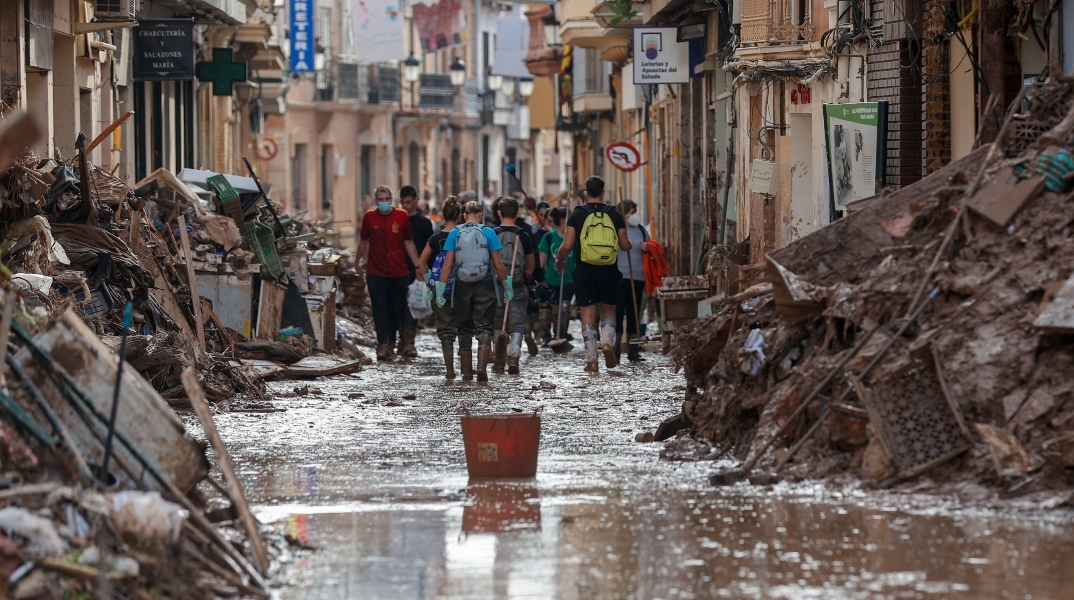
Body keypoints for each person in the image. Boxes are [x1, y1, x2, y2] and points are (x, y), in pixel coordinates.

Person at [554, 176, 631, 372]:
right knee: (608, 311)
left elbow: (567, 245)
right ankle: (607, 343)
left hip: (585, 269)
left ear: (586, 193)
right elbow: (624, 245)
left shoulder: (577, 214)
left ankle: (592, 360)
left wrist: (559, 259)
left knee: (587, 315)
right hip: (609, 269)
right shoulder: (614, 214)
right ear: (603, 192)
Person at [435, 201, 510, 382]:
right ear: (481, 215)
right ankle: (481, 366)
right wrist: (507, 286)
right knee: (485, 326)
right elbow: (498, 264)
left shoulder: (455, 233)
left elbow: (447, 265)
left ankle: (467, 372)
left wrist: (440, 290)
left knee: (464, 327)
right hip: (485, 283)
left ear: (464, 215)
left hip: (462, 284)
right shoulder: (489, 232)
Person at [356, 185, 423, 361]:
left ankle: (394, 342)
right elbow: (363, 241)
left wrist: (417, 266)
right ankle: (382, 345)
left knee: (396, 309)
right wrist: (357, 262)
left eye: (387, 199)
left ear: (391, 200)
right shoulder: (369, 218)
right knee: (379, 309)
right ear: (376, 201)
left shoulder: (401, 217)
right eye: (381, 200)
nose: (384, 203)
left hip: (398, 272)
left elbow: (408, 242)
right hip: (376, 271)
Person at [416, 197, 462, 378]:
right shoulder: (463, 235)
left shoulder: (435, 238)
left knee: (445, 330)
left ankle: (450, 369)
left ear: (443, 215)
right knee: (465, 329)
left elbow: (421, 264)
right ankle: (468, 369)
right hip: (463, 288)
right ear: (459, 215)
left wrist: (431, 283)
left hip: (440, 291)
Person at [490, 197, 535, 374]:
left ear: (499, 213)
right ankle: (514, 359)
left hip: (496, 287)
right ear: (517, 213)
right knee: (517, 324)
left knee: (497, 324)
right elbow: (531, 266)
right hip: (517, 286)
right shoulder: (523, 235)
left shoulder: (492, 233)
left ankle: (499, 361)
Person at [398, 185, 433, 358]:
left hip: (416, 271)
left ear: (416, 200)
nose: (406, 206)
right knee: (398, 306)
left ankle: (409, 343)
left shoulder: (424, 223)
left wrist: (425, 271)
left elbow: (430, 247)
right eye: (403, 202)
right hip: (397, 269)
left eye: (409, 202)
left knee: (413, 305)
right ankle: (400, 340)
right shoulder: (397, 221)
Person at [615, 200, 650, 363]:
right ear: (623, 214)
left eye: (635, 211)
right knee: (618, 312)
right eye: (631, 211)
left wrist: (648, 247)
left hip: (638, 278)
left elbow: (652, 246)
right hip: (619, 278)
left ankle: (633, 351)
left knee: (634, 314)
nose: (635, 214)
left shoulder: (641, 230)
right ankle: (615, 349)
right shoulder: (615, 230)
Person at [538, 207, 575, 345]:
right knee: (548, 311)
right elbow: (542, 260)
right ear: (561, 220)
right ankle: (546, 336)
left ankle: (561, 335)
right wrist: (541, 279)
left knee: (564, 309)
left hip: (568, 279)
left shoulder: (573, 238)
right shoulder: (548, 237)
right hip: (551, 279)